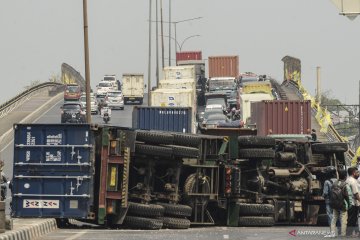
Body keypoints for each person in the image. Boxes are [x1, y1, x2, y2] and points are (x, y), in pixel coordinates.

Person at [325, 169, 353, 237]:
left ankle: (332, 233)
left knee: (334, 219)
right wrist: (349, 205)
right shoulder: (345, 185)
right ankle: (343, 234)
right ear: (346, 176)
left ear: (338, 175)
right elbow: (349, 197)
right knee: (343, 220)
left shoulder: (334, 183)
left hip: (335, 204)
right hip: (342, 205)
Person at [346, 167, 360, 237]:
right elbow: (356, 194)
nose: (358, 174)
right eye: (357, 172)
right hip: (354, 203)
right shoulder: (353, 181)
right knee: (352, 219)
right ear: (353, 173)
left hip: (348, 202)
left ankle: (350, 233)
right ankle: (349, 234)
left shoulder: (347, 180)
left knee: (350, 218)